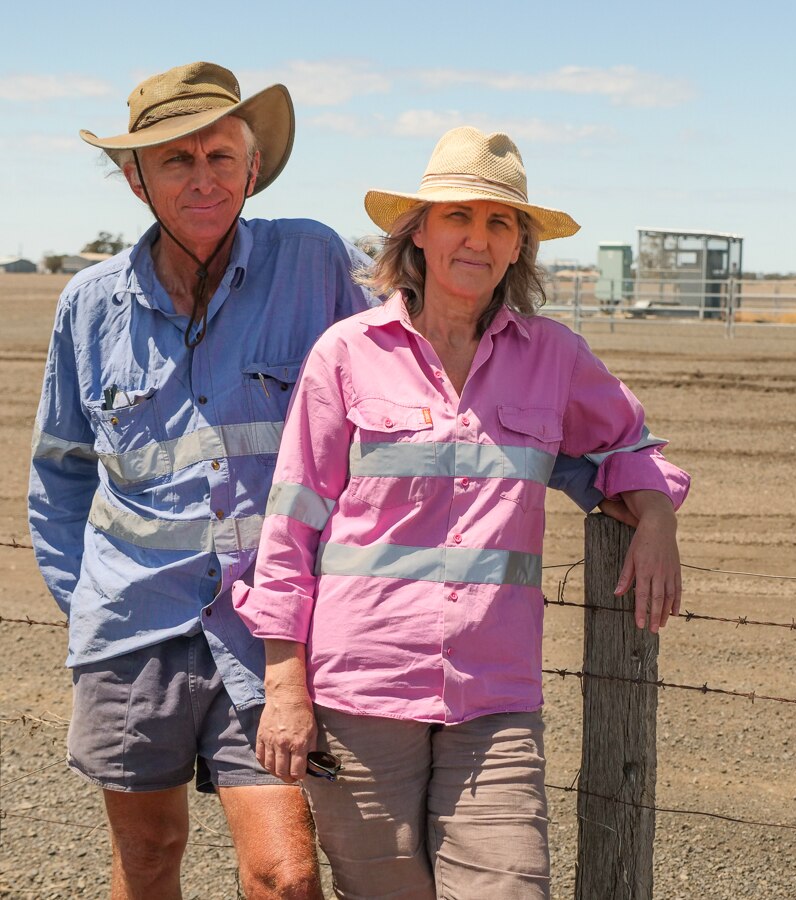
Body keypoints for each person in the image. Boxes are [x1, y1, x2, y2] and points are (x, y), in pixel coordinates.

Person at [26, 63, 606, 899]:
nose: (203, 178)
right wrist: (88, 602)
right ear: (135, 178)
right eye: (175, 160)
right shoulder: (88, 304)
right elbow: (62, 472)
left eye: (221, 156)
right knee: (148, 859)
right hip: (132, 627)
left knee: (286, 877)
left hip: (265, 636)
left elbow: (426, 374)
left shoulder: (315, 261)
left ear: (253, 167)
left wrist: (601, 474)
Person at [234, 126, 690, 898]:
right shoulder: (345, 355)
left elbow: (631, 444)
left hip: (494, 698)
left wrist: (658, 519)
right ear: (419, 233)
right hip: (359, 692)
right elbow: (290, 527)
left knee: (509, 885)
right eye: (458, 217)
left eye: (499, 222)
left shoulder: (554, 357)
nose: (477, 239)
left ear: (519, 249)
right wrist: (286, 690)